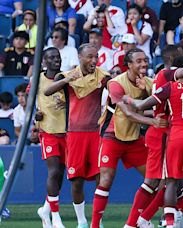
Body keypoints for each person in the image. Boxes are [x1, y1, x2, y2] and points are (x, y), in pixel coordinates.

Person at [123, 65, 183, 228]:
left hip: (176, 136)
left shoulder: (170, 86)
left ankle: (168, 223)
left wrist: (128, 100)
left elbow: (142, 105)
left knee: (171, 182)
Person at [90, 48, 166, 228]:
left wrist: (148, 93)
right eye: (139, 61)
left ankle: (141, 221)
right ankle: (94, 225)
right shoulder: (116, 83)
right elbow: (129, 113)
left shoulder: (149, 83)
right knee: (105, 180)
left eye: (145, 60)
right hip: (112, 135)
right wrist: (152, 121)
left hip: (133, 139)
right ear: (129, 65)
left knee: (156, 179)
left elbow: (159, 104)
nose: (144, 64)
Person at [45, 43, 111, 228]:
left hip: (96, 134)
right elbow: (47, 91)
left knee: (101, 177)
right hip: (74, 135)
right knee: (76, 180)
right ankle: (81, 221)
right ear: (80, 58)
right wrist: (67, 80)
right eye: (90, 57)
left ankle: (98, 221)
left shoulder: (102, 77)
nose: (94, 60)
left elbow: (114, 89)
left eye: (96, 57)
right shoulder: (68, 76)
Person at [35, 47, 66, 228]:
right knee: (53, 171)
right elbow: (31, 102)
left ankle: (46, 209)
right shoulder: (37, 79)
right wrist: (35, 116)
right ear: (45, 61)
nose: (56, 60)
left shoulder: (66, 78)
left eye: (58, 57)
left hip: (66, 131)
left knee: (61, 174)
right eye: (52, 57)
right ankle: (56, 217)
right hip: (48, 131)